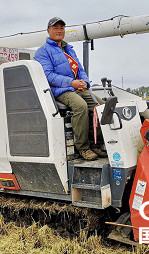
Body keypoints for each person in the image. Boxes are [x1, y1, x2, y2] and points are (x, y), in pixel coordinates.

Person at [35, 17, 106, 161]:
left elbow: (80, 69)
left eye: (61, 28)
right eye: (55, 28)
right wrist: (71, 83)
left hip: (76, 87)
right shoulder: (43, 52)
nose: (59, 31)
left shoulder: (69, 49)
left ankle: (95, 145)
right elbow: (48, 76)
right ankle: (83, 148)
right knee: (80, 106)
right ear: (48, 31)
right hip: (59, 90)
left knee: (100, 107)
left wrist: (85, 82)